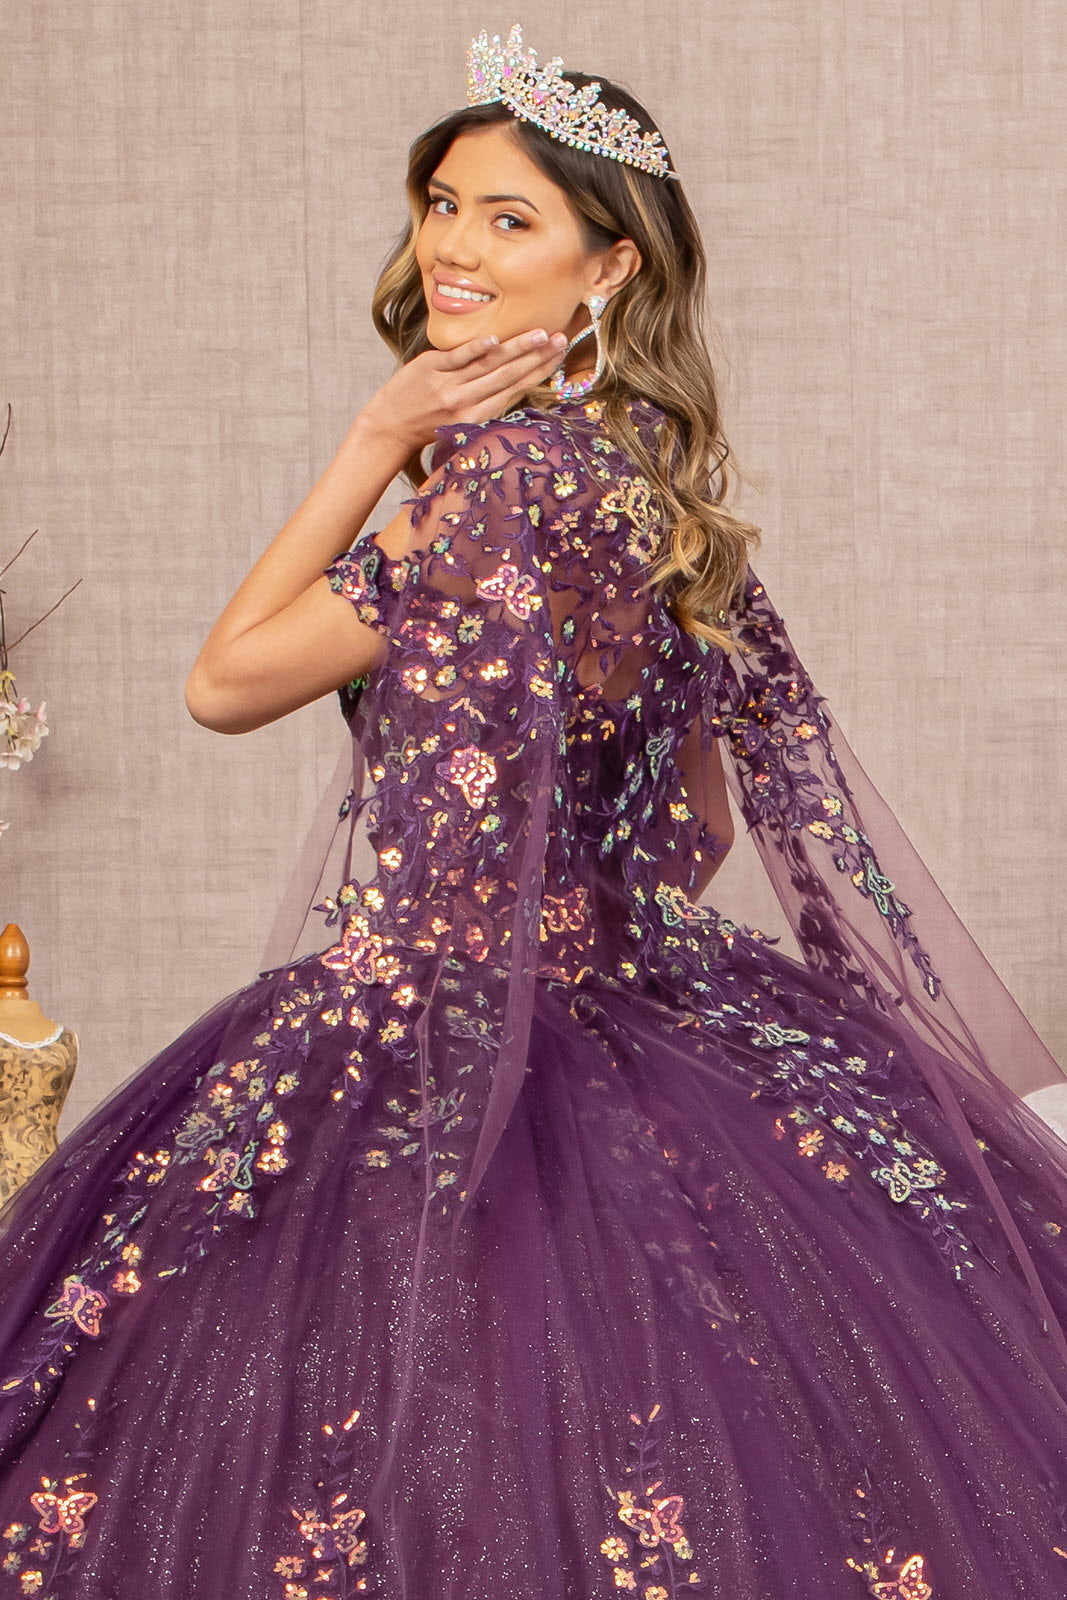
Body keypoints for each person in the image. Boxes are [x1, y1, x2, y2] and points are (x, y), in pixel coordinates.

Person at [1, 22, 1065, 1600]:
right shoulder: (658, 490)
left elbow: (224, 683)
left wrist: (378, 436)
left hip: (426, 1012)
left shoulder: (487, 486)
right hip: (651, 1003)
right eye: (442, 204)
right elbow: (700, 822)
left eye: (511, 219)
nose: (454, 246)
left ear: (609, 266)